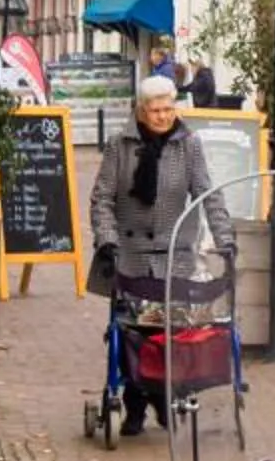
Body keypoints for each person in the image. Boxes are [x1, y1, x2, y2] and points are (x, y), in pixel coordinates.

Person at [88, 76, 229, 437]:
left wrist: (225, 239)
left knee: (172, 332)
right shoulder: (120, 145)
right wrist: (106, 240)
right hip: (130, 255)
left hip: (175, 255)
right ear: (141, 111)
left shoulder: (189, 145)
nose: (163, 116)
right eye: (156, 110)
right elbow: (102, 198)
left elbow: (206, 194)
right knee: (134, 331)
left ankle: (166, 399)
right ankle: (135, 405)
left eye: (168, 109)